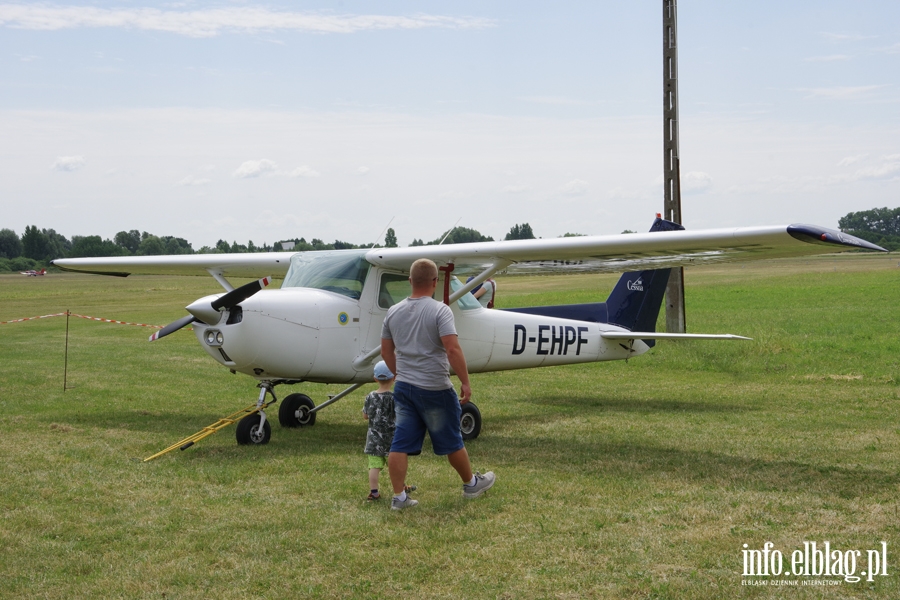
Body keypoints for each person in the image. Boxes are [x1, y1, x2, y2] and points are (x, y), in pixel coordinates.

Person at [381, 258, 495, 510]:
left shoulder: (393, 312)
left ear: (410, 281)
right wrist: (465, 382)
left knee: (399, 442)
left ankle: (399, 497)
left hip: (404, 387)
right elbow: (452, 349)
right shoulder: (441, 310)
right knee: (452, 440)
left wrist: (399, 373)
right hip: (435, 387)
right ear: (435, 282)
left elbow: (386, 350)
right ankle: (471, 483)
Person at [362, 361, 415, 501]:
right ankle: (401, 487)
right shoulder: (394, 398)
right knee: (396, 465)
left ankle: (374, 492)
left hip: (373, 440)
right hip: (392, 439)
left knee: (374, 466)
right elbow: (400, 415)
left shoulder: (370, 396)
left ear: (375, 378)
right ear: (394, 378)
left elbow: (365, 415)